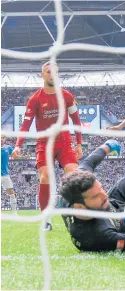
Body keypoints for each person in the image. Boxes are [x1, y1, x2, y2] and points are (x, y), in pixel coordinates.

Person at [11, 62, 83, 231]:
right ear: (42, 75)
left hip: (64, 141)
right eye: (48, 72)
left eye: (55, 72)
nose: (52, 75)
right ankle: (46, 220)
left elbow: (76, 120)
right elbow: (25, 125)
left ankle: (78, 214)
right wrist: (18, 146)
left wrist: (79, 143)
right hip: (44, 143)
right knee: (45, 177)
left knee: (74, 175)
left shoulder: (66, 96)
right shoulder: (35, 99)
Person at [1, 136, 18, 215]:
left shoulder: (8, 147)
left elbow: (14, 156)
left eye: (3, 138)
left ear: (4, 139)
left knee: (11, 193)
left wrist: (16, 153)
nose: (1, 139)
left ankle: (14, 212)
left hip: (5, 175)